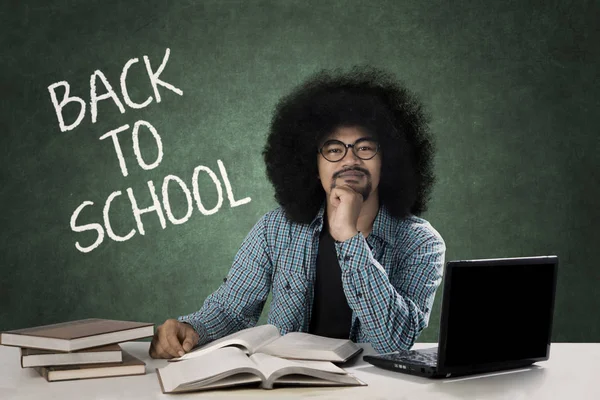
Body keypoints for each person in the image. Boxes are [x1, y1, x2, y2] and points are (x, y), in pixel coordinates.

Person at [149, 66, 446, 359]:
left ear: (389, 161)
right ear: (312, 166)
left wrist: (348, 237)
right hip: (287, 385)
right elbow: (230, 309)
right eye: (333, 149)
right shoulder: (276, 229)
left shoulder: (421, 242)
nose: (350, 160)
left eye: (365, 148)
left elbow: (394, 341)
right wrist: (190, 328)